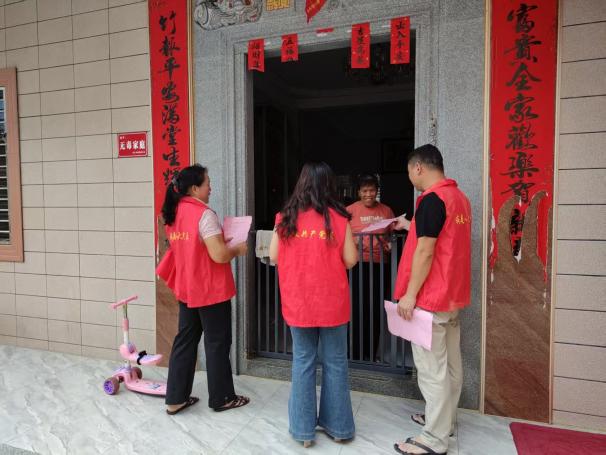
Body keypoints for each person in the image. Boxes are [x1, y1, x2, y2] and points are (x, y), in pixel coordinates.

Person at [269, 162, 358, 447]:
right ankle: (339, 428)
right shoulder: (339, 218)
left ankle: (303, 432)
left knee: (303, 361)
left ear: (301, 184)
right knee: (335, 362)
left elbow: (273, 257)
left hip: (298, 303)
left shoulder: (285, 218)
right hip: (332, 303)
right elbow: (351, 260)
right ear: (330, 185)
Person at [392, 145, 471, 455]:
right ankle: (445, 422)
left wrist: (410, 294)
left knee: (431, 371)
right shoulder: (458, 198)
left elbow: (426, 250)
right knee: (451, 365)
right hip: (452, 295)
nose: (411, 178)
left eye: (410, 172)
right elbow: (443, 237)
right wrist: (409, 226)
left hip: (430, 297)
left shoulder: (431, 200)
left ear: (419, 168)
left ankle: (434, 440)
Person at [156, 164, 250, 415]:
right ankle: (222, 398)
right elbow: (218, 255)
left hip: (187, 288)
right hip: (210, 289)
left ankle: (175, 399)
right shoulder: (204, 214)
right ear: (195, 188)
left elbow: (194, 248)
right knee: (217, 343)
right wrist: (237, 249)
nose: (211, 188)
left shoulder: (174, 213)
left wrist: (218, 242)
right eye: (208, 183)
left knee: (185, 342)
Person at [347, 174, 396, 361]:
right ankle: (354, 353)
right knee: (356, 308)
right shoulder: (349, 211)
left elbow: (392, 235)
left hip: (379, 266)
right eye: (365, 190)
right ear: (359, 192)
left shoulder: (386, 211)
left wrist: (390, 244)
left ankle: (371, 354)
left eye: (372, 190)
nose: (368, 194)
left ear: (377, 191)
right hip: (356, 264)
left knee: (375, 309)